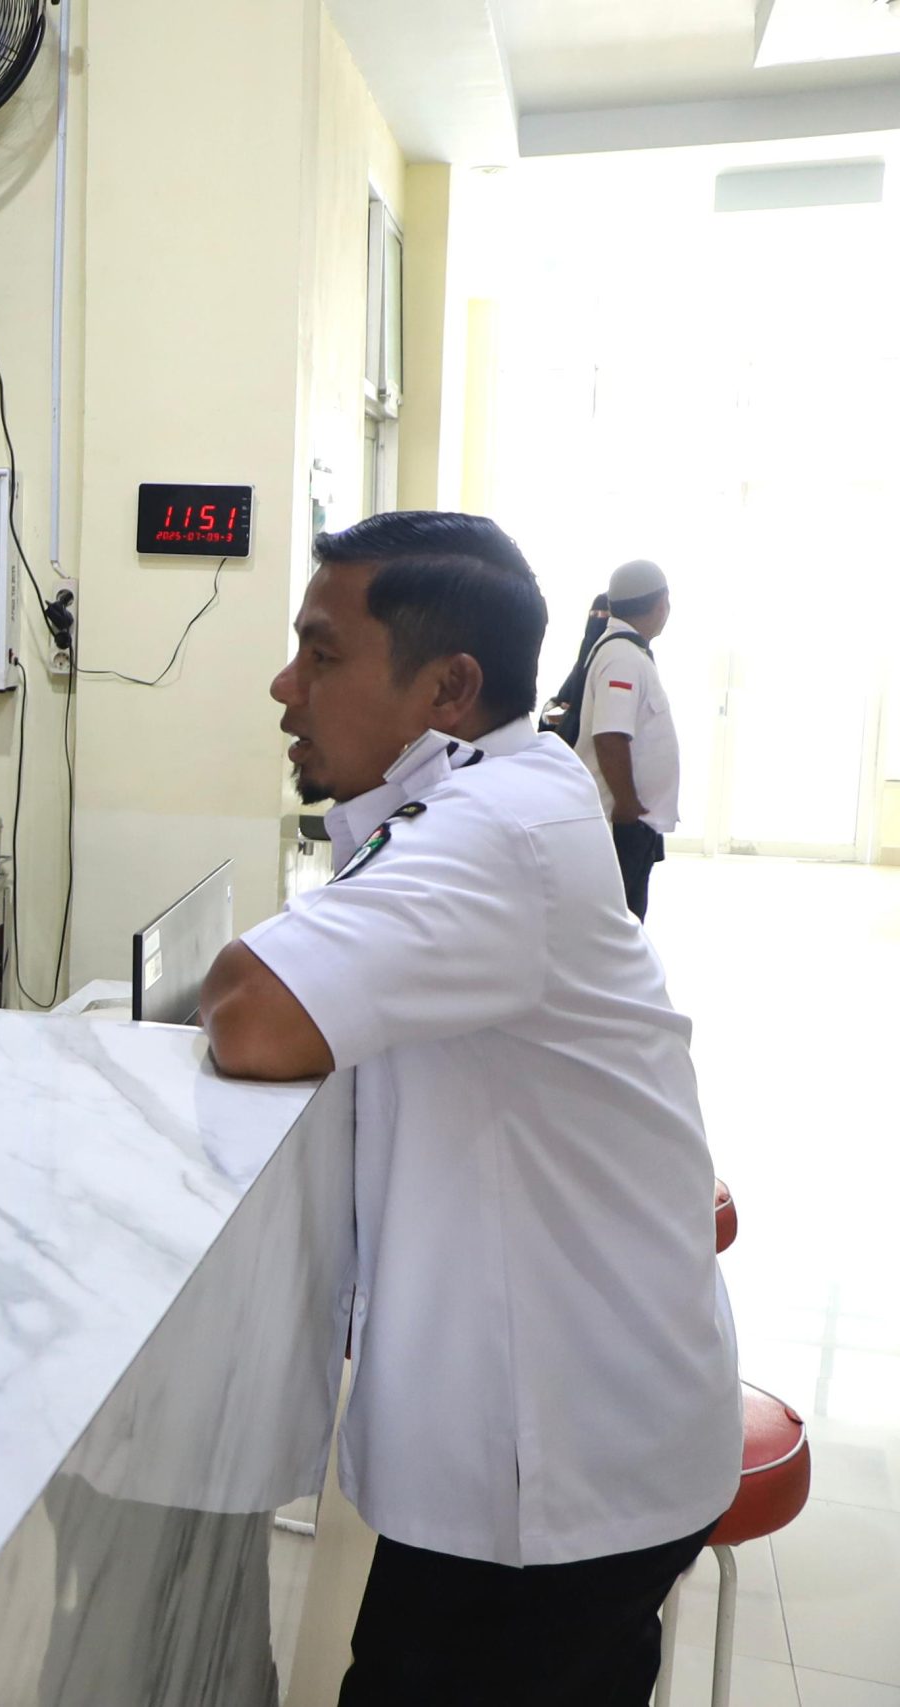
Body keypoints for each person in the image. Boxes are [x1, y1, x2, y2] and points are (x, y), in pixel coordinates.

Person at [198, 512, 738, 1707]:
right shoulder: (499, 792)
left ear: (447, 688)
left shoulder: (499, 831)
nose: (285, 686)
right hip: (560, 1432)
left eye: (321, 654)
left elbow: (250, 1013)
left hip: (560, 1467)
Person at [577, 559, 677, 921]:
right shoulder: (622, 657)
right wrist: (628, 805)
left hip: (632, 819)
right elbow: (610, 736)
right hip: (621, 820)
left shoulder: (628, 652)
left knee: (627, 916)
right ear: (662, 603)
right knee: (622, 920)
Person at [538, 591, 610, 745]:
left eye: (605, 614)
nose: (598, 618)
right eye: (594, 614)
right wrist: (558, 713)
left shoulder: (615, 664)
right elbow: (556, 702)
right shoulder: (583, 664)